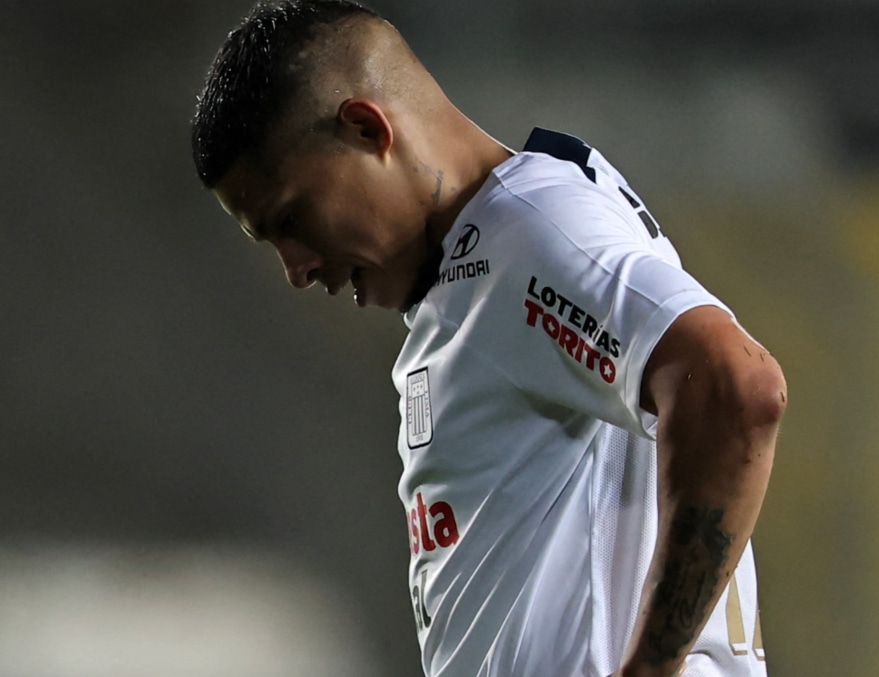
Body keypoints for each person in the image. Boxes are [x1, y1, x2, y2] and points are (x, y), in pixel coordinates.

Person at [190, 2, 787, 675]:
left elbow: (736, 383)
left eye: (293, 220)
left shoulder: (527, 235)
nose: (296, 269)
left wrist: (649, 667)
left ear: (366, 128)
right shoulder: (480, 262)